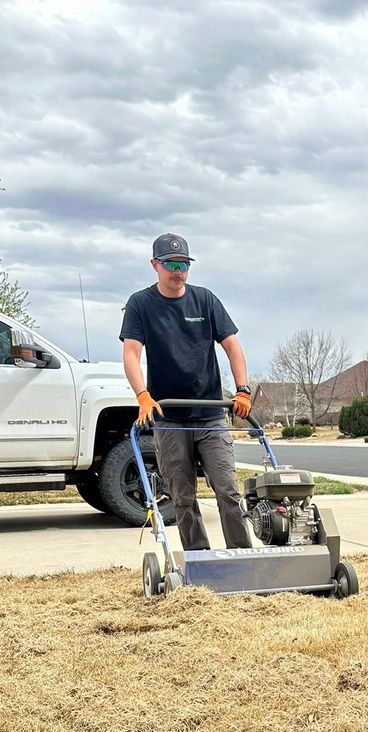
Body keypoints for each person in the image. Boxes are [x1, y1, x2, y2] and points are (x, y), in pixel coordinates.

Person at [119, 233, 253, 551]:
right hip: (169, 416)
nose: (178, 271)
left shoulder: (204, 299)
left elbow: (232, 346)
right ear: (155, 265)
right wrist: (142, 395)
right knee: (182, 495)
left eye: (183, 264)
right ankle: (198, 559)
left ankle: (242, 557)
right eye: (170, 264)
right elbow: (131, 354)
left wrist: (243, 390)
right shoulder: (141, 304)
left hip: (209, 415)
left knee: (227, 490)